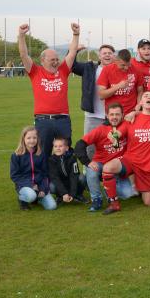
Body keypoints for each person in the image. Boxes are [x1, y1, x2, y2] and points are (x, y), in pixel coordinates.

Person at [100, 91, 150, 214]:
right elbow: (118, 134)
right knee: (108, 167)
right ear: (140, 102)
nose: (149, 97)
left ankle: (137, 186)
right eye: (145, 96)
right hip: (131, 160)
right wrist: (114, 136)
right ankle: (114, 203)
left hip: (148, 166)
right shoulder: (131, 119)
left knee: (149, 203)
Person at [17, 22, 80, 157]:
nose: (56, 62)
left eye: (57, 59)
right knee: (42, 153)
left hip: (62, 119)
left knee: (66, 152)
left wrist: (76, 34)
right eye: (52, 59)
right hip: (43, 121)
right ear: (42, 60)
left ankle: (66, 178)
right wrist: (21, 36)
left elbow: (72, 52)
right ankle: (43, 178)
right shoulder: (35, 72)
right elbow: (23, 55)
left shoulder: (63, 71)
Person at [74, 102, 137, 212]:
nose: (114, 117)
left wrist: (135, 112)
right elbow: (79, 145)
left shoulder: (127, 125)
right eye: (111, 114)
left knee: (127, 194)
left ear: (122, 115)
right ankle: (96, 199)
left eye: (117, 114)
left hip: (117, 169)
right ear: (107, 115)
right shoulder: (100, 130)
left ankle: (106, 191)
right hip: (100, 165)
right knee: (91, 170)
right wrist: (87, 162)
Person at [72, 44, 117, 160]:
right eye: (104, 53)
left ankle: (110, 175)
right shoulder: (90, 68)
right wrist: (74, 51)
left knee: (114, 147)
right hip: (93, 116)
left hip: (114, 117)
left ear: (114, 56)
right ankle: (89, 174)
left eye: (110, 53)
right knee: (90, 147)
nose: (107, 55)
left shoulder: (120, 70)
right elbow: (72, 65)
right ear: (99, 56)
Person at [9, 126, 56, 211]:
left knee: (52, 206)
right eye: (29, 138)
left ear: (38, 139)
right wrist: (31, 185)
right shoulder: (16, 155)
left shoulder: (41, 154)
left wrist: (42, 189)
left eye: (34, 138)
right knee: (31, 195)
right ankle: (22, 200)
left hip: (39, 185)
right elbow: (14, 176)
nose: (32, 140)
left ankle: (38, 198)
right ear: (23, 139)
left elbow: (45, 174)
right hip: (24, 185)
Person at [97, 49, 143, 114]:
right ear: (116, 61)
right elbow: (101, 95)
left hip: (131, 114)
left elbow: (140, 90)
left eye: (128, 65)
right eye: (123, 65)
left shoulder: (136, 70)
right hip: (113, 114)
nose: (126, 68)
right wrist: (118, 86)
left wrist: (139, 105)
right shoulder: (107, 70)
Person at [47, 137, 87, 205]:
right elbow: (55, 178)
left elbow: (74, 176)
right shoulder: (51, 160)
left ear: (66, 148)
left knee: (82, 178)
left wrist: (72, 194)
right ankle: (60, 196)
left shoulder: (72, 157)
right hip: (60, 183)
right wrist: (64, 193)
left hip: (71, 182)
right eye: (55, 146)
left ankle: (78, 195)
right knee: (51, 186)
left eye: (60, 146)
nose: (58, 148)